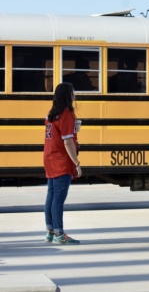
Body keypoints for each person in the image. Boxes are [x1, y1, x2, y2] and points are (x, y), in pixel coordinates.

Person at [43, 82, 81, 245]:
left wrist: (73, 130)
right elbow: (68, 143)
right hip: (61, 160)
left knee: (51, 195)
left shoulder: (51, 114)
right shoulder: (66, 115)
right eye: (72, 93)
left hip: (50, 158)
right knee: (58, 198)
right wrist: (77, 163)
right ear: (68, 96)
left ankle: (50, 232)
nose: (74, 96)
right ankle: (59, 234)